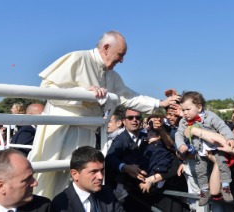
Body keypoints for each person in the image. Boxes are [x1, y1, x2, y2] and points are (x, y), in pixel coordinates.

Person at [28, 30, 179, 199]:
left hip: (88, 133)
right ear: (106, 48)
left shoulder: (112, 75)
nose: (121, 60)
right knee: (52, 179)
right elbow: (47, 88)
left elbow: (129, 97)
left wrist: (160, 103)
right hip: (63, 130)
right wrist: (82, 93)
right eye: (120, 55)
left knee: (79, 183)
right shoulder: (78, 58)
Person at [175, 91, 234, 206]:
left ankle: (226, 187)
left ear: (199, 107)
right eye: (183, 110)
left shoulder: (210, 116)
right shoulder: (183, 121)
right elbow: (178, 134)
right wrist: (181, 144)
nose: (185, 113)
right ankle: (204, 191)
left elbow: (222, 127)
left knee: (223, 165)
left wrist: (230, 138)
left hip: (215, 147)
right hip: (199, 150)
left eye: (188, 109)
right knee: (200, 171)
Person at [52, 146, 124, 212]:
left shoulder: (107, 193)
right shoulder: (61, 204)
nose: (100, 176)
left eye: (102, 170)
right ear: (75, 174)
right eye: (93, 172)